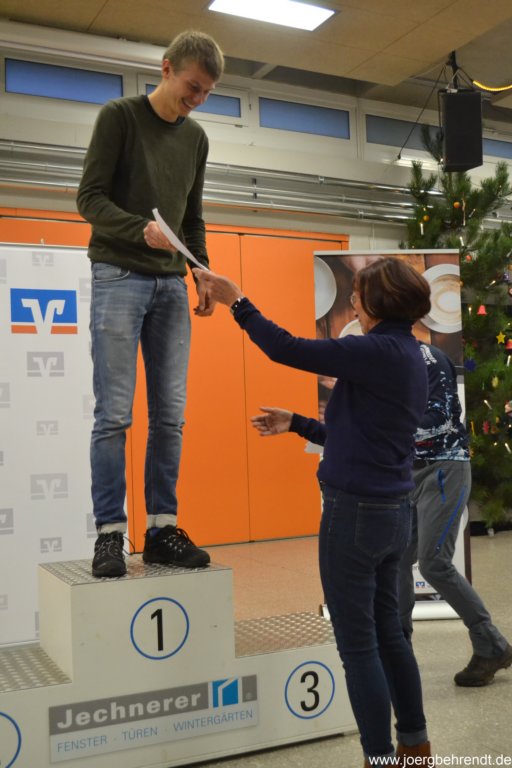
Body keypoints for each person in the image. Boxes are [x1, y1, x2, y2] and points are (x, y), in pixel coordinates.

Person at [193, 257, 433, 767]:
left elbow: (286, 348)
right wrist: (299, 423)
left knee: (358, 645)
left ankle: (378, 757)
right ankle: (416, 748)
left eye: (358, 295)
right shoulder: (409, 354)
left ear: (376, 302)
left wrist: (237, 300)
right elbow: (364, 436)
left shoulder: (374, 350)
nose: (353, 302)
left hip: (356, 513)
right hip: (393, 511)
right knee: (390, 634)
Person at [77, 30, 224, 578]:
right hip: (118, 274)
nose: (197, 100)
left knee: (170, 418)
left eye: (206, 92)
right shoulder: (119, 117)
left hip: (171, 286)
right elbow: (89, 199)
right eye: (192, 86)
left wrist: (201, 270)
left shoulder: (197, 139)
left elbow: (192, 217)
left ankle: (162, 531)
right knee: (114, 415)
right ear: (166, 69)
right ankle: (110, 535)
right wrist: (139, 229)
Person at [398, 343, 512, 686]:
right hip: (408, 471)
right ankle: (397, 651)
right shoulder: (383, 357)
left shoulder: (427, 358)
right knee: (396, 558)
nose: (359, 317)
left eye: (365, 314)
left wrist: (387, 430)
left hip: (444, 468)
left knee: (434, 562)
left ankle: (491, 644)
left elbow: (443, 416)